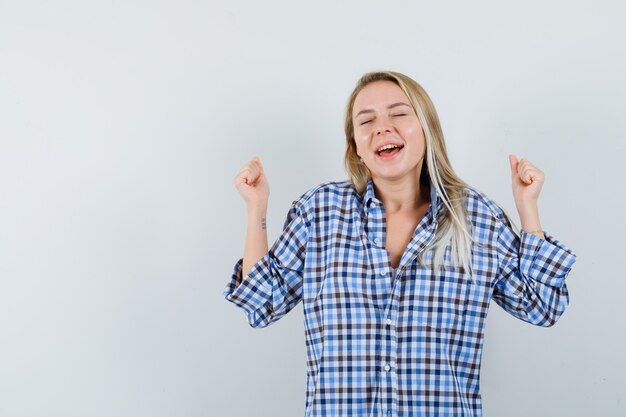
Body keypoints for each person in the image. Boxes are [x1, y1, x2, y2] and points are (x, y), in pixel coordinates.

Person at [223, 70, 577, 417]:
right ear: (356, 146)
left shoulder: (478, 219)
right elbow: (262, 301)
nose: (382, 127)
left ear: (426, 129)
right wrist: (257, 209)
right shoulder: (318, 213)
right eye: (366, 121)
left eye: (398, 113)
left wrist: (527, 207)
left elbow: (542, 306)